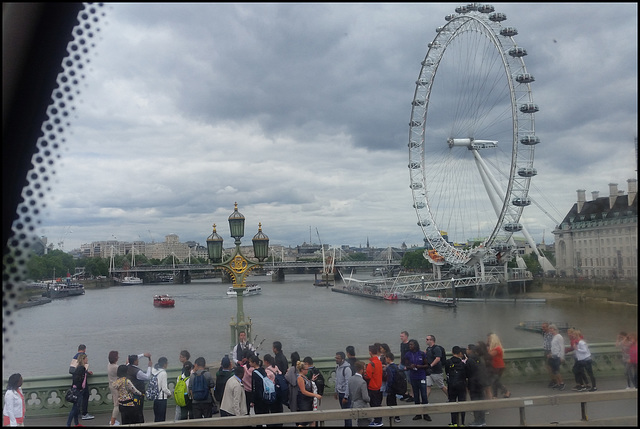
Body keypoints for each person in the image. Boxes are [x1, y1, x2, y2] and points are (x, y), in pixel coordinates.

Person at [404, 338, 429, 421]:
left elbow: (426, 365)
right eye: (409, 345)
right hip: (413, 377)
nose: (410, 346)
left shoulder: (421, 354)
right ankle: (418, 414)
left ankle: (426, 414)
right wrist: (410, 367)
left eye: (411, 344)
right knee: (416, 396)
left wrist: (419, 366)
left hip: (421, 376)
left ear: (415, 345)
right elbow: (406, 366)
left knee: (424, 395)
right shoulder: (407, 354)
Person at [466, 343, 489, 427]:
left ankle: (477, 421)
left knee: (475, 401)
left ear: (470, 350)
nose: (466, 350)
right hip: (480, 383)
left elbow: (468, 372)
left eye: (467, 349)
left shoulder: (470, 360)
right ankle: (482, 420)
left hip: (474, 384)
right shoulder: (479, 359)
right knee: (481, 401)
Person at [445, 346, 469, 427]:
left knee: (452, 402)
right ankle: (462, 422)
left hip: (452, 385)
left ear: (452, 352)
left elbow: (446, 372)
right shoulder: (463, 363)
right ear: (460, 353)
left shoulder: (448, 362)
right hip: (461, 385)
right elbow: (466, 374)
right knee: (462, 403)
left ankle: (454, 422)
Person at [69, 344, 93, 421]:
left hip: (75, 382)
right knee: (85, 396)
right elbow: (83, 369)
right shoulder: (83, 356)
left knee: (78, 398)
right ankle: (85, 413)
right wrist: (87, 372)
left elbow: (71, 370)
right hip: (82, 382)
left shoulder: (74, 357)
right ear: (84, 349)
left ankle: (77, 414)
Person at [126, 353, 152, 423]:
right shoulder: (137, 372)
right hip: (138, 393)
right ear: (135, 361)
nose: (138, 361)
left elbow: (131, 359)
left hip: (130, 393)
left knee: (133, 410)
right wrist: (149, 367)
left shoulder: (127, 366)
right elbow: (147, 377)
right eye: (137, 360)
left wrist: (143, 355)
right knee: (139, 411)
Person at [296, 360, 322, 427]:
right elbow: (303, 391)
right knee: (304, 422)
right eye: (306, 369)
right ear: (302, 370)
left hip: (308, 402)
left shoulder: (305, 377)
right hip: (304, 403)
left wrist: (312, 380)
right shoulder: (300, 378)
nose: (307, 371)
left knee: (312, 420)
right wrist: (315, 395)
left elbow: (307, 385)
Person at [363, 344, 383, 427]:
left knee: (374, 405)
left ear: (370, 352)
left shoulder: (371, 364)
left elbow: (368, 376)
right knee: (378, 404)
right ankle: (378, 420)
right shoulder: (379, 362)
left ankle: (377, 421)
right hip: (378, 386)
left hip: (372, 387)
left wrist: (364, 374)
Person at [66, 353, 88, 427]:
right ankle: (68, 424)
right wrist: (81, 388)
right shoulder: (82, 368)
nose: (87, 360)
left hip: (76, 389)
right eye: (86, 358)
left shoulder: (78, 368)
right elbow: (80, 380)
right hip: (78, 391)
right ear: (83, 359)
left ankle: (76, 423)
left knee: (76, 408)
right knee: (75, 408)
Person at [425, 334, 448, 401]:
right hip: (429, 371)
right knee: (428, 386)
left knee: (442, 386)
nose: (426, 341)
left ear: (431, 340)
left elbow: (438, 358)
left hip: (436, 371)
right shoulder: (428, 348)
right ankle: (425, 401)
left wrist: (431, 365)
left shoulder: (436, 348)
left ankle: (451, 398)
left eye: (427, 339)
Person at [487, 333, 511, 398]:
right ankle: (495, 396)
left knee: (494, 380)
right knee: (495, 381)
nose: (488, 340)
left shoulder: (497, 348)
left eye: (489, 339)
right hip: (496, 366)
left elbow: (489, 355)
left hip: (498, 367)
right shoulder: (493, 348)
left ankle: (506, 391)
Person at [348, 361, 370, 427]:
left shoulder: (350, 379)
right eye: (365, 369)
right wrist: (369, 399)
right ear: (361, 370)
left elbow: (350, 393)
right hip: (362, 406)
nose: (365, 371)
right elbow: (365, 397)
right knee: (364, 423)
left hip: (354, 404)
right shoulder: (362, 382)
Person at [263, 353, 285, 420]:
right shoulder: (276, 367)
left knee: (273, 409)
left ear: (266, 362)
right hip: (279, 390)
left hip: (272, 392)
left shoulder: (267, 371)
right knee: (279, 407)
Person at [334, 351, 353, 427]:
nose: (336, 359)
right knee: (344, 413)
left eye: (338, 358)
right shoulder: (337, 368)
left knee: (347, 415)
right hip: (340, 392)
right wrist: (336, 391)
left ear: (342, 359)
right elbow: (337, 380)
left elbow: (348, 383)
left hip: (345, 394)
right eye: (336, 358)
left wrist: (346, 396)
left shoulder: (347, 369)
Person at [152, 357, 172, 422]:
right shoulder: (163, 373)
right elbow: (164, 388)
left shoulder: (154, 371)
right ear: (164, 364)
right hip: (162, 398)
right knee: (161, 418)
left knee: (157, 417)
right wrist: (170, 393)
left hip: (155, 397)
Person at [384, 352, 402, 424]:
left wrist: (388, 388)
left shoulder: (389, 368)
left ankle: (393, 415)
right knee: (394, 401)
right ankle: (395, 416)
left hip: (391, 388)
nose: (385, 359)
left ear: (388, 358)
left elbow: (390, 379)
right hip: (395, 387)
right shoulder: (395, 366)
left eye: (385, 358)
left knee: (390, 402)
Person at [549, 324, 566, 390]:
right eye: (550, 329)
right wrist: (551, 353)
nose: (550, 330)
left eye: (551, 329)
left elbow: (562, 347)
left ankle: (562, 383)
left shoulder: (559, 337)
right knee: (553, 371)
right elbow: (554, 347)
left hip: (557, 356)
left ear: (555, 329)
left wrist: (562, 357)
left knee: (557, 371)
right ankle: (558, 383)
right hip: (553, 356)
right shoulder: (554, 337)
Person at [107, 351, 121, 426]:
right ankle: (112, 421)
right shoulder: (116, 367)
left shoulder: (109, 365)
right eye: (117, 356)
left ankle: (113, 421)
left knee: (115, 402)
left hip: (111, 385)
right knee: (117, 404)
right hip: (116, 387)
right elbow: (122, 372)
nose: (118, 357)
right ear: (115, 358)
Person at [399, 330, 413, 401]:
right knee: (402, 379)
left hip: (408, 365)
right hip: (402, 364)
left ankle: (412, 395)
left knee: (410, 380)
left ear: (406, 337)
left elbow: (411, 355)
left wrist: (408, 365)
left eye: (402, 336)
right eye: (400, 336)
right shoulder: (402, 344)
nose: (401, 337)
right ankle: (405, 393)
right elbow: (402, 355)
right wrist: (400, 363)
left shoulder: (409, 345)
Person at [542, 323, 555, 387]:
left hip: (550, 351)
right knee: (548, 367)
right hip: (546, 351)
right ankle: (552, 380)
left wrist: (551, 352)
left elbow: (553, 344)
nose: (543, 328)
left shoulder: (550, 334)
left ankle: (554, 380)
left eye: (544, 327)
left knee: (551, 367)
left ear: (548, 327)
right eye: (542, 327)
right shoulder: (544, 333)